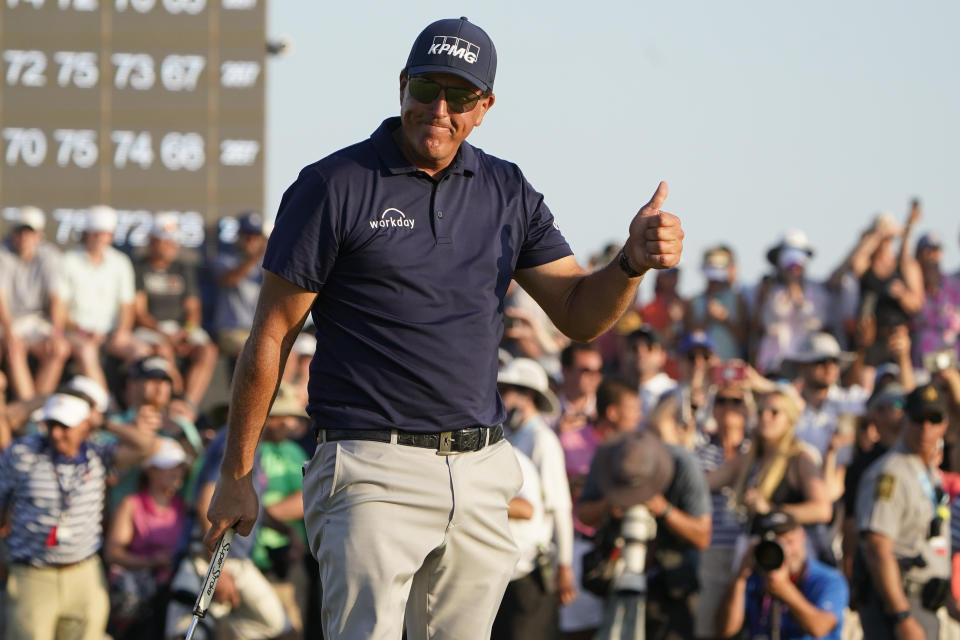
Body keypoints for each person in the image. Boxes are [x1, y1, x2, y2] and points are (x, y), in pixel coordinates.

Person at [203, 16, 684, 640]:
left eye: (459, 96)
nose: (438, 108)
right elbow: (271, 335)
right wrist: (236, 476)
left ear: (483, 107)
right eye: (426, 87)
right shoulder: (334, 184)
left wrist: (629, 264)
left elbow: (577, 313)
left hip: (480, 470)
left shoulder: (507, 189)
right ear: (402, 85)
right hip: (369, 462)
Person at [0, 392, 158, 640]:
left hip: (83, 573)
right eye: (51, 424)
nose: (55, 433)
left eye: (65, 426)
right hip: (31, 575)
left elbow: (147, 446)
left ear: (85, 425)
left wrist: (105, 423)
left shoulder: (98, 453)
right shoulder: (22, 453)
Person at [577, 427, 712, 639]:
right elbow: (583, 515)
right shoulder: (608, 458)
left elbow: (703, 536)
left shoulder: (683, 464)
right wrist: (608, 504)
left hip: (671, 589)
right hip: (617, 579)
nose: (635, 496)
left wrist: (665, 510)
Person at [855, 383, 954, 639]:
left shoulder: (927, 472)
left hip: (927, 601)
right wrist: (901, 615)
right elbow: (878, 547)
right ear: (905, 419)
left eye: (934, 420)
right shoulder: (890, 473)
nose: (926, 428)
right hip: (898, 603)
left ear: (945, 424)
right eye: (918, 419)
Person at [498, 357, 576, 607]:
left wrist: (564, 564)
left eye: (505, 391)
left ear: (527, 395)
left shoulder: (542, 439)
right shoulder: (512, 435)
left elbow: (559, 506)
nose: (499, 398)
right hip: (509, 564)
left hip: (532, 565)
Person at [104, 437, 189, 639]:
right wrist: (150, 562)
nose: (176, 471)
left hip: (171, 597)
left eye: (179, 466)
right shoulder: (131, 505)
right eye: (169, 466)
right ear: (150, 469)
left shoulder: (183, 507)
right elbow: (112, 553)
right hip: (139, 603)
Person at [717, 510, 848, 640]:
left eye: (789, 541)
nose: (785, 551)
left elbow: (819, 628)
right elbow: (726, 630)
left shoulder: (829, 579)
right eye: (776, 544)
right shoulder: (754, 577)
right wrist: (740, 578)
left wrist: (784, 589)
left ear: (802, 536)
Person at [133, 214, 219, 409]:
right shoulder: (139, 268)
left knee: (208, 351)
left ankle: (188, 406)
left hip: (180, 329)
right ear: (153, 241)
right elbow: (139, 313)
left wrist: (186, 331)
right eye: (167, 240)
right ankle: (173, 399)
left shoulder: (183, 268)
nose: (173, 245)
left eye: (174, 240)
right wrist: (165, 335)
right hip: (151, 330)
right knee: (163, 350)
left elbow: (193, 308)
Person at [61, 205, 144, 389]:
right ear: (86, 234)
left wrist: (121, 332)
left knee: (141, 351)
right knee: (87, 350)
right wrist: (83, 331)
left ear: (111, 236)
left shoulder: (121, 262)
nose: (100, 239)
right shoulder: (68, 260)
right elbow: (60, 308)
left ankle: (134, 407)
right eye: (95, 234)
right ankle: (105, 406)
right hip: (78, 333)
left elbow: (126, 306)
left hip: (111, 334)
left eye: (104, 234)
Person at [0, 206, 70, 400]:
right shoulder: (2, 254)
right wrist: (9, 332)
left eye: (29, 232)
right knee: (14, 350)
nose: (24, 237)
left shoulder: (50, 256)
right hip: (7, 322)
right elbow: (1, 300)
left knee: (59, 348)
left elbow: (57, 298)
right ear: (12, 233)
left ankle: (36, 409)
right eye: (19, 231)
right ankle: (28, 408)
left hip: (36, 322)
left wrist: (56, 333)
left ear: (39, 235)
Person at [213, 211, 267, 359]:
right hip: (231, 330)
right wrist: (255, 255)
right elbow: (230, 279)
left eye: (255, 236)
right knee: (252, 352)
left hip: (259, 331)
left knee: (292, 353)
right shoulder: (223, 259)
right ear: (238, 236)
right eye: (247, 235)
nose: (251, 240)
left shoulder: (267, 264)